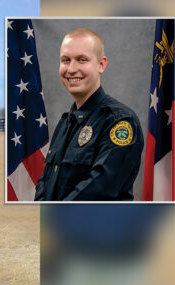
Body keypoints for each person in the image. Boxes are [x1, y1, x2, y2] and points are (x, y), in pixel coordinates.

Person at [35, 28, 144, 201]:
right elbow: (45, 182)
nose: (71, 69)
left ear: (101, 64)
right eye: (65, 60)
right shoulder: (65, 123)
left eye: (82, 60)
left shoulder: (120, 122)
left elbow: (98, 191)